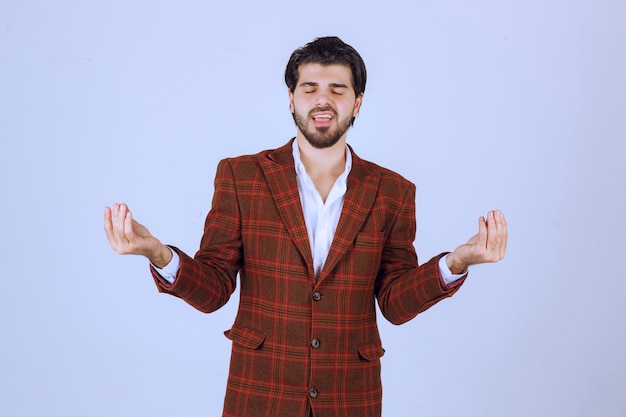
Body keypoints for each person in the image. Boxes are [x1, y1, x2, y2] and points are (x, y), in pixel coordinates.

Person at [104, 36, 507, 417]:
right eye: (310, 87)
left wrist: (454, 264)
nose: (323, 100)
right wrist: (159, 255)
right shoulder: (241, 176)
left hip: (351, 397)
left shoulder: (393, 191)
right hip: (260, 394)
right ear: (291, 98)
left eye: (338, 89)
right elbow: (213, 290)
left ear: (358, 102)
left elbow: (395, 304)